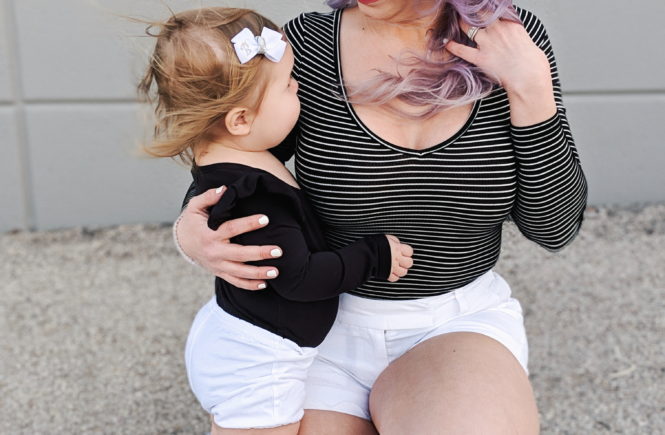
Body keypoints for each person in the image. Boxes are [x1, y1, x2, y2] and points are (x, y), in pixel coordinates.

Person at [175, 0, 588, 433]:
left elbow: (554, 229)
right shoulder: (309, 46)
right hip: (307, 335)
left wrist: (532, 89)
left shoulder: (511, 40)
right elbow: (235, 156)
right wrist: (190, 229)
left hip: (450, 326)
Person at [138, 7, 413, 434]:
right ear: (241, 119)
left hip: (244, 335)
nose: (298, 86)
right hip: (260, 359)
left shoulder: (232, 160)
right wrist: (373, 256)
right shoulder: (257, 199)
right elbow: (301, 278)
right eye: (287, 85)